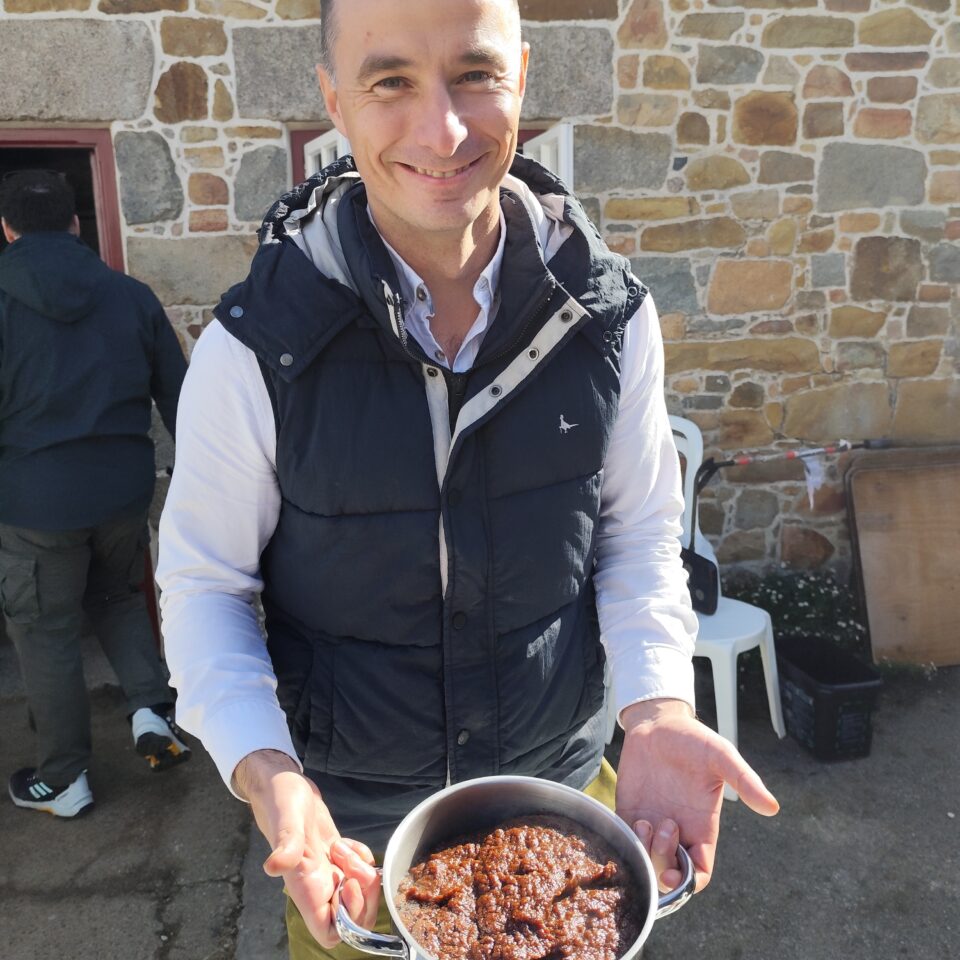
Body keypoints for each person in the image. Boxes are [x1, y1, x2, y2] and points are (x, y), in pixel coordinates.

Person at [157, 0, 780, 955]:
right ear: (334, 99)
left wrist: (657, 706)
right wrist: (269, 773)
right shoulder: (253, 352)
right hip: (351, 848)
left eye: (475, 75)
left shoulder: (608, 321)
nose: (441, 131)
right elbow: (206, 589)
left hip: (562, 801)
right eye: (390, 80)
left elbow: (639, 535)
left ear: (522, 76)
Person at [0, 169, 190, 820]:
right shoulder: (131, 296)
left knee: (45, 630)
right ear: (76, 224)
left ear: (7, 228)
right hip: (120, 490)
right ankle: (151, 713)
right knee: (117, 595)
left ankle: (65, 778)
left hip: (33, 504)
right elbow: (179, 396)